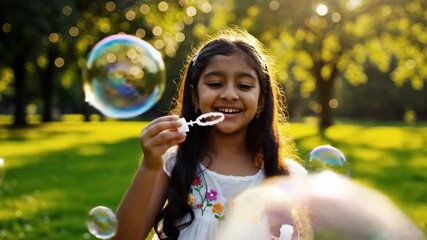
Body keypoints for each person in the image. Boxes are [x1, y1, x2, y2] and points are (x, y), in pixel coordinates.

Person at [112, 27, 307, 240]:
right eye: (215, 84)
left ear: (261, 101)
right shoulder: (173, 162)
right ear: (195, 96)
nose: (230, 94)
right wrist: (149, 165)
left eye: (244, 85)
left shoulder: (281, 176)